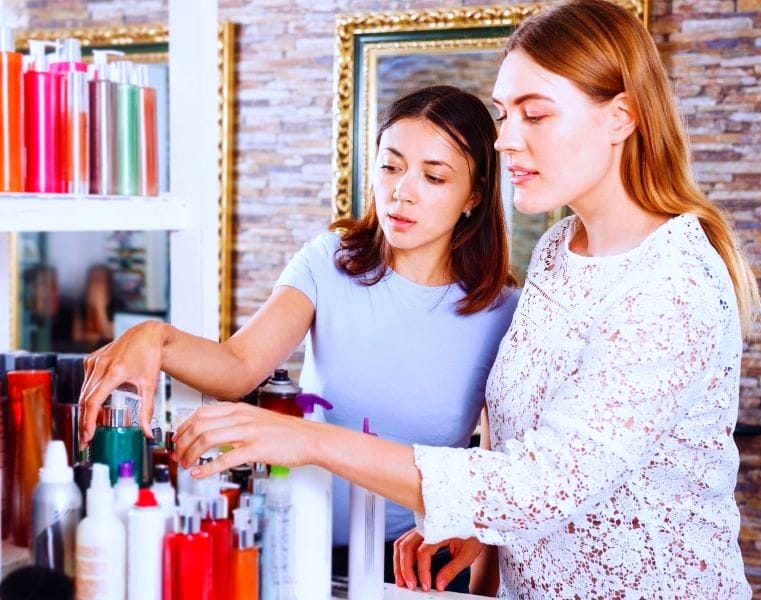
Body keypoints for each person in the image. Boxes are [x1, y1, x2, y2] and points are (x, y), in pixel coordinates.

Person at [161, 0, 761, 597]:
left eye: (536, 115)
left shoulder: (672, 287)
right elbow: (533, 447)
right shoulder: (559, 248)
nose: (506, 142)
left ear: (621, 117)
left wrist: (309, 439)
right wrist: (478, 527)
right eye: (505, 115)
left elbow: (542, 484)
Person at [78, 86, 519, 592]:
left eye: (434, 176)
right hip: (296, 540)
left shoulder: (503, 313)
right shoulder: (329, 263)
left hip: (417, 567)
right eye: (391, 166)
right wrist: (154, 337)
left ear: (475, 196)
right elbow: (238, 366)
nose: (402, 191)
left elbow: (499, 479)